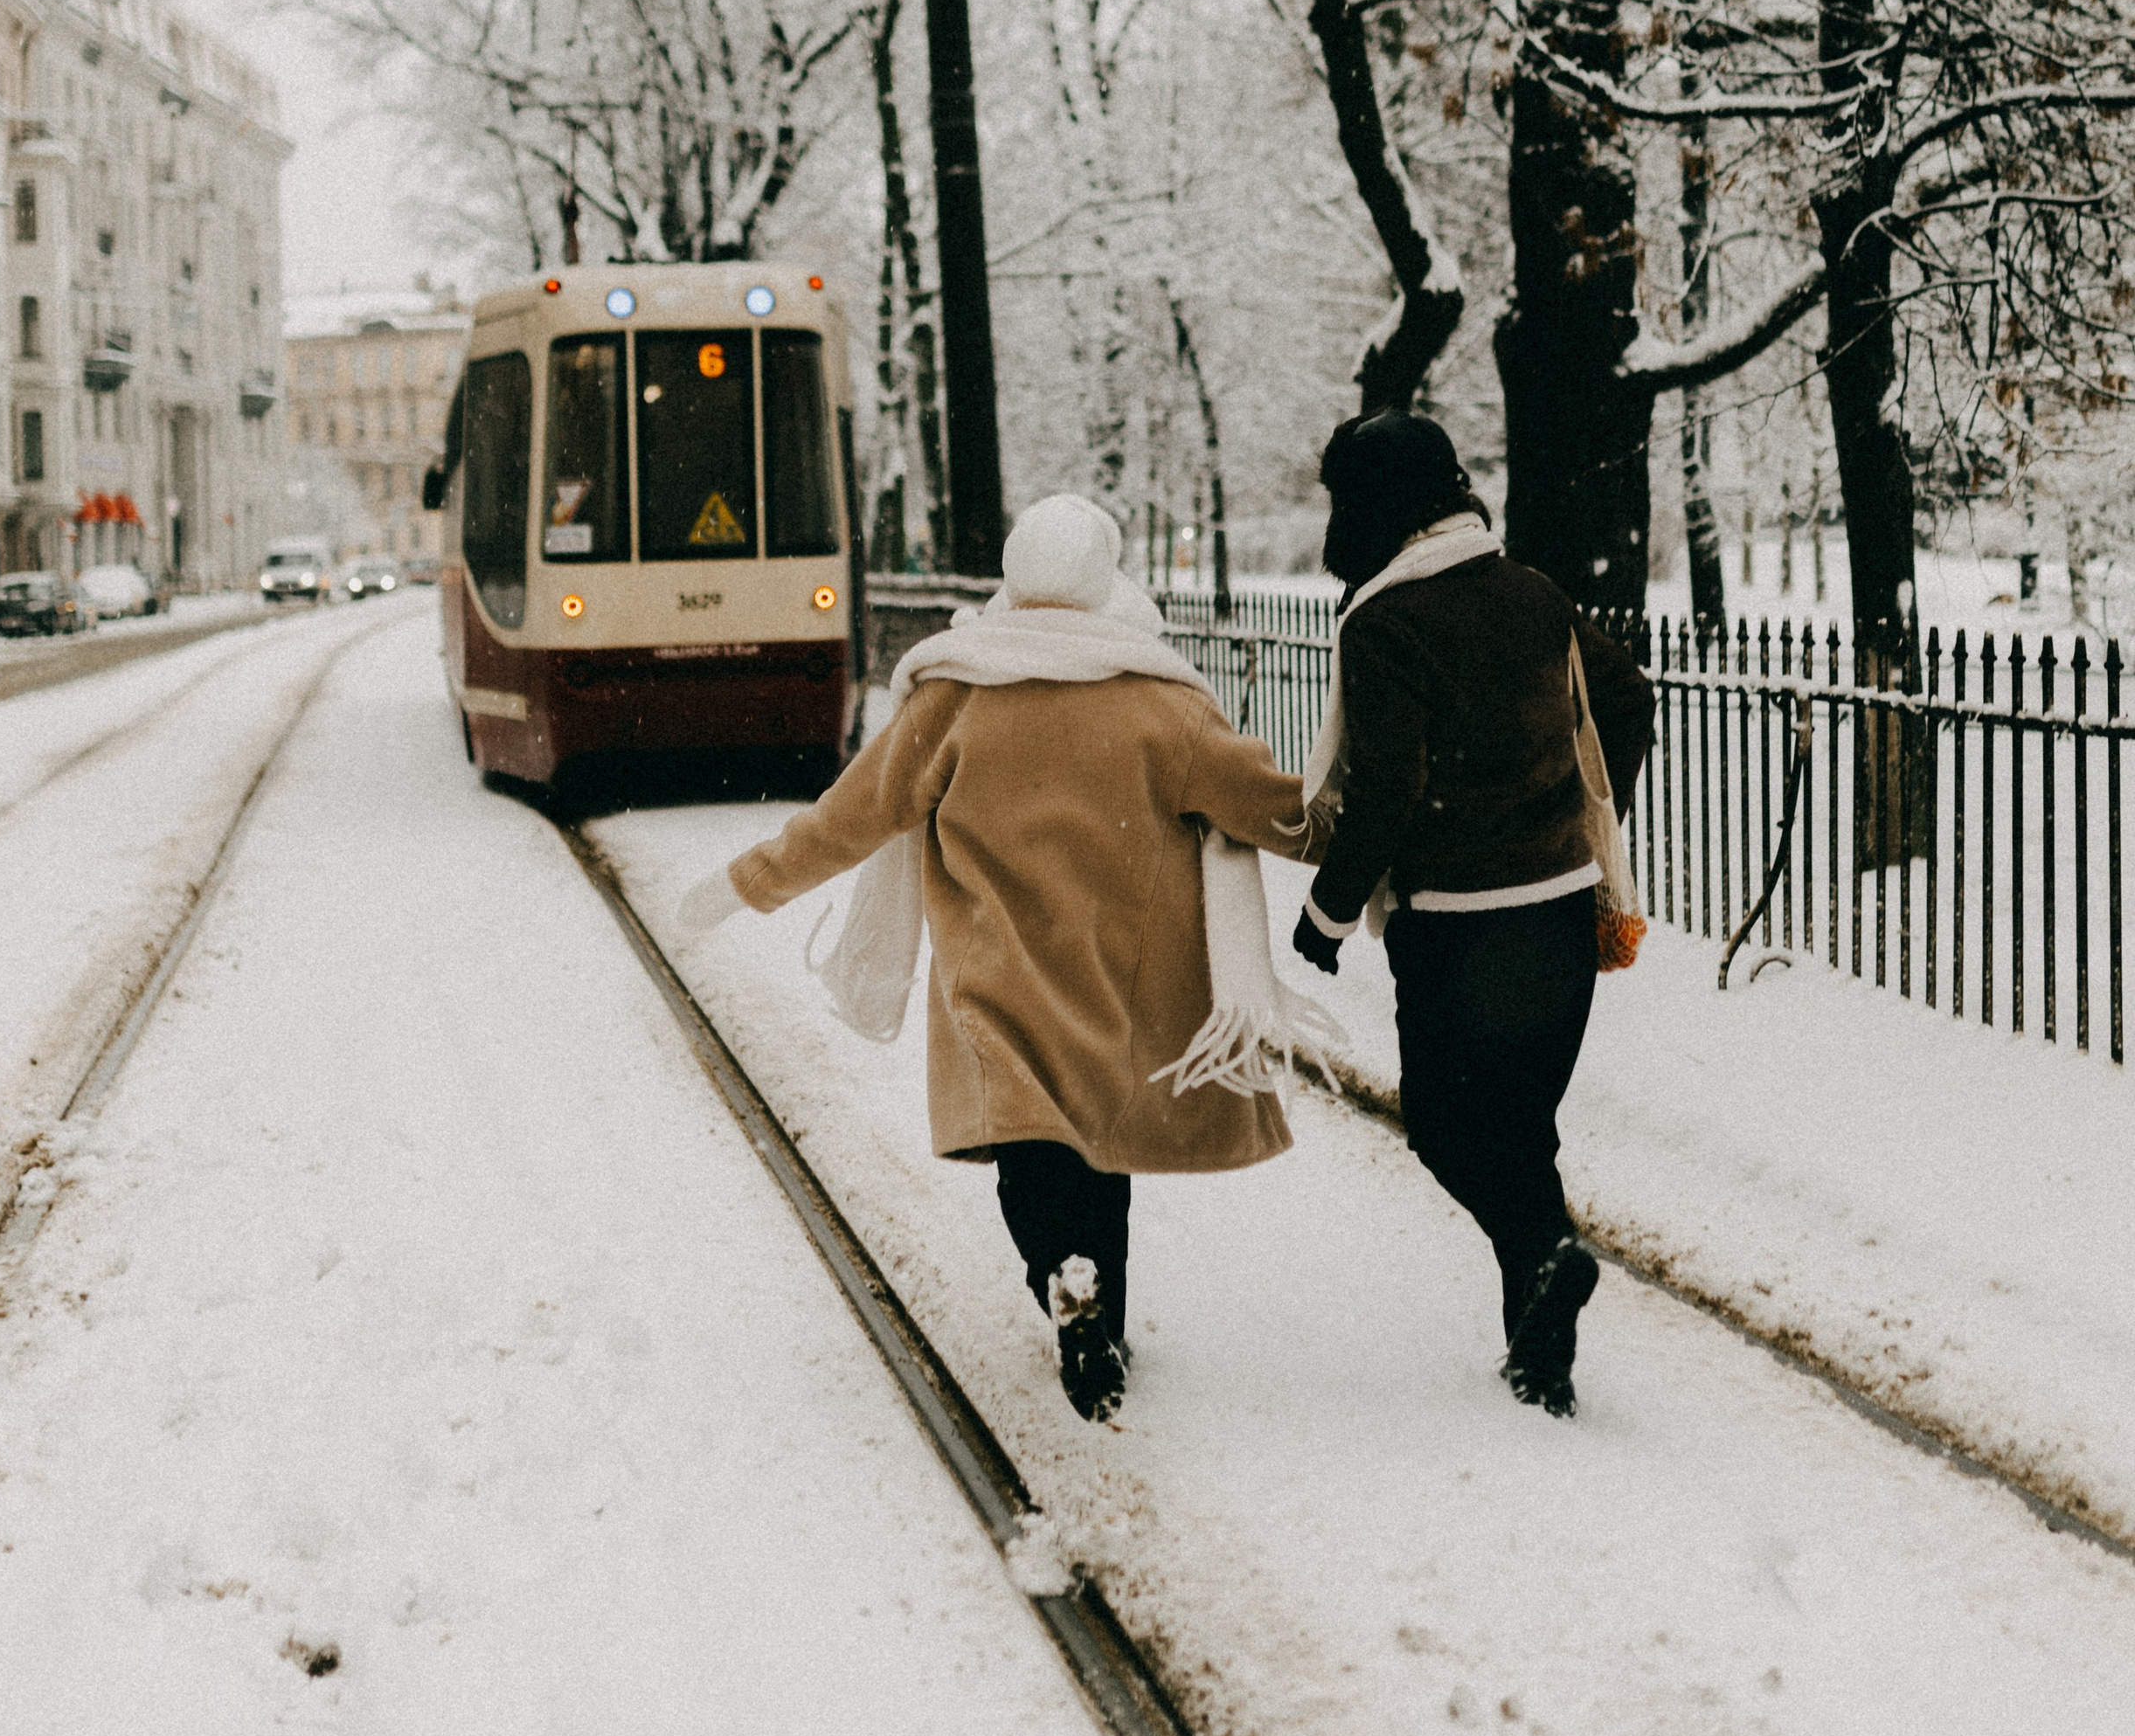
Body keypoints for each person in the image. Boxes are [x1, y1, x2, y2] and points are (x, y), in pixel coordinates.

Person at [679, 495, 1329, 1421]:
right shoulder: (1164, 704)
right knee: (1101, 1156)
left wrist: (743, 883)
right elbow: (1277, 810)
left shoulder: (954, 695)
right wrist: (1400, 845)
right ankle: (1099, 1316)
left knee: (1030, 1159)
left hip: (995, 975)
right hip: (1115, 979)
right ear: (1103, 579)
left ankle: (1061, 1276)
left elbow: (844, 820)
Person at [1291, 412, 1653, 1415]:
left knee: (1447, 1129)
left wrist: (1324, 914)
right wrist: (1575, 815)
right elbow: (1627, 700)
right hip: (1560, 913)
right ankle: (1540, 1359)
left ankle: (1548, 1255)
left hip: (1456, 927)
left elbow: (1388, 789)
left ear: (1373, 505)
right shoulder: (1532, 593)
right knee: (1521, 1133)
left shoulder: (1385, 622)